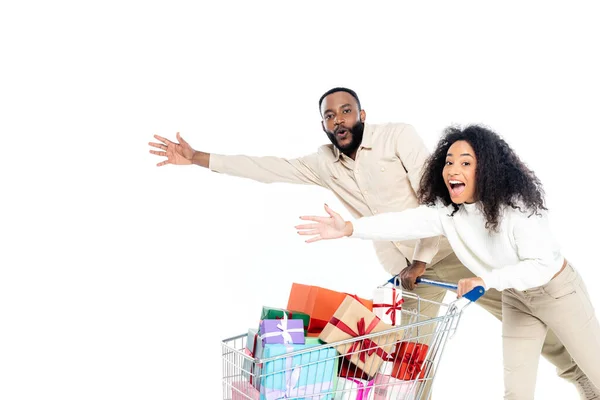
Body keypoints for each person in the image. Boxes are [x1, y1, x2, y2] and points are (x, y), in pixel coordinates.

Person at [148, 88, 597, 398]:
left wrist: (423, 258)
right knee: (414, 353)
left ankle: (581, 375)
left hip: (451, 252)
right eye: (329, 115)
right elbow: (269, 167)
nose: (338, 120)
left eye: (345, 111)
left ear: (362, 114)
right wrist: (200, 159)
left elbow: (434, 200)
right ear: (323, 125)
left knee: (526, 308)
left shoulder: (396, 136)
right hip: (407, 271)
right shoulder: (323, 163)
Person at [295, 124, 600, 399]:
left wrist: (487, 281)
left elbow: (541, 266)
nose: (454, 169)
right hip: (517, 300)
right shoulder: (450, 212)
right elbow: (405, 222)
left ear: (487, 171)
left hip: (558, 293)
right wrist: (349, 228)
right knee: (516, 391)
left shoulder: (517, 210)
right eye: (449, 162)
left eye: (466, 163)